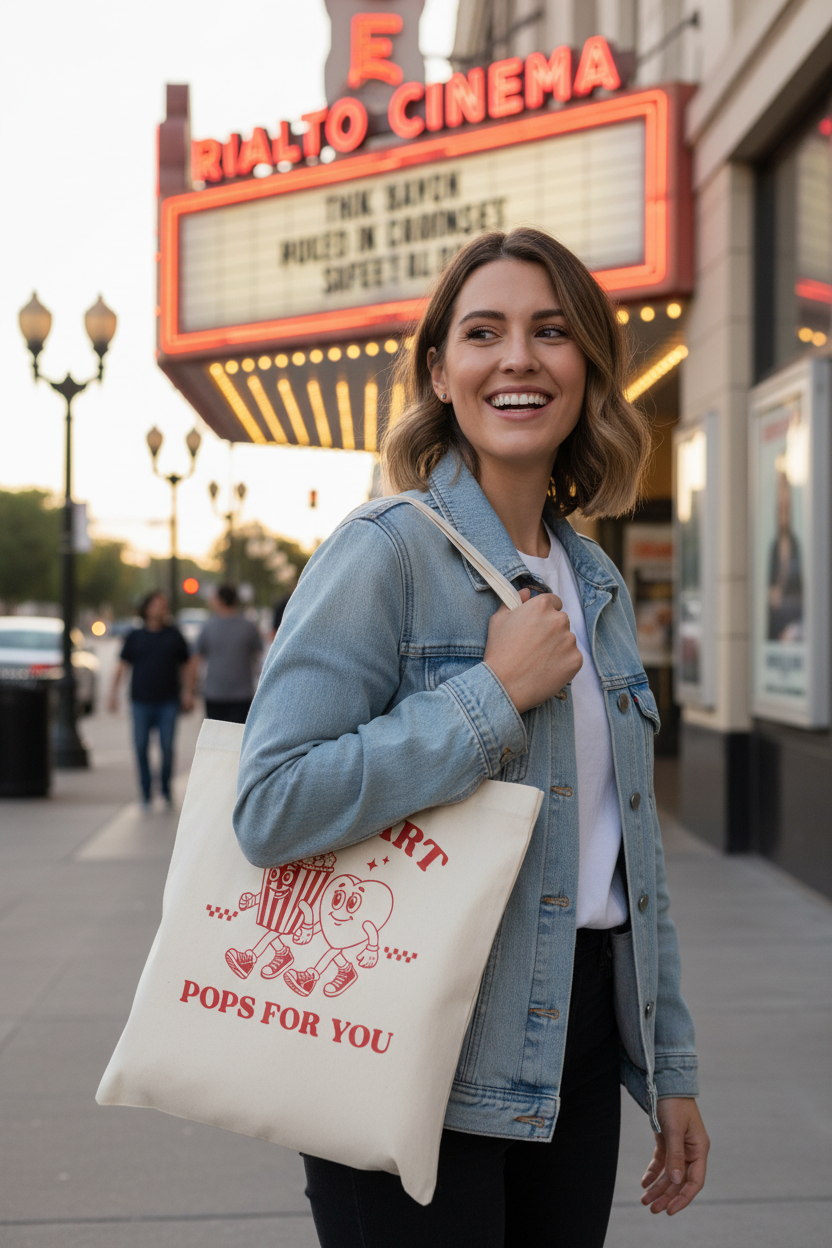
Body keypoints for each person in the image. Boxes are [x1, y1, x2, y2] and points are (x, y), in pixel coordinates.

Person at [234, 228, 709, 1247]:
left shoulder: (595, 583)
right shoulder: (384, 554)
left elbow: (630, 860)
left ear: (587, 365)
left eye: (550, 332)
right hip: (406, 1037)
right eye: (483, 332)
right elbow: (272, 804)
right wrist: (488, 697)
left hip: (575, 1036)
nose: (518, 359)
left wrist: (666, 1065)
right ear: (441, 373)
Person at [109, 591, 194, 810]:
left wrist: (188, 692)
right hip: (140, 701)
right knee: (140, 747)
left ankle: (165, 788)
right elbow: (121, 666)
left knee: (167, 748)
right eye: (155, 605)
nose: (159, 609)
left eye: (163, 605)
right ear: (146, 608)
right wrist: (113, 694)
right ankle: (146, 792)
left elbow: (186, 666)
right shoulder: (135, 636)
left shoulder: (175, 635)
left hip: (168, 701)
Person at [195, 584, 263, 723]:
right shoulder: (248, 627)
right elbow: (259, 657)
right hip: (243, 694)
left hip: (214, 692)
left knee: (214, 738)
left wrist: (190, 689)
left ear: (219, 600)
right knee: (237, 739)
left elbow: (195, 659)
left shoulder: (208, 626)